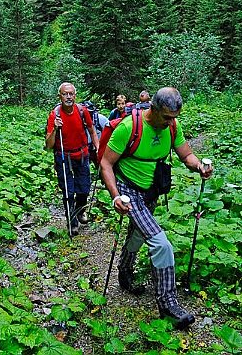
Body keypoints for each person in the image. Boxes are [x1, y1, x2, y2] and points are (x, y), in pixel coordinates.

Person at [100, 87, 213, 330]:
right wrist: (115, 196)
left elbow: (186, 155)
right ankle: (168, 304)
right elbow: (106, 164)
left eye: (175, 117)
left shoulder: (172, 126)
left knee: (138, 234)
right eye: (167, 117)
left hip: (151, 190)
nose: (171, 122)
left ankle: (125, 271)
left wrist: (199, 167)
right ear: (153, 108)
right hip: (129, 192)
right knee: (161, 244)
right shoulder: (129, 128)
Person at [46, 83, 99, 235]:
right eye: (65, 94)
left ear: (75, 95)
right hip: (64, 157)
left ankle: (80, 210)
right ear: (60, 96)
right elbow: (49, 145)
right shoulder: (54, 115)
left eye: (71, 94)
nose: (68, 97)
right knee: (68, 192)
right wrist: (55, 128)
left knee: (84, 190)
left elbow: (92, 131)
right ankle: (72, 222)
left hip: (82, 156)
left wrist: (98, 148)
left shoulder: (82, 111)